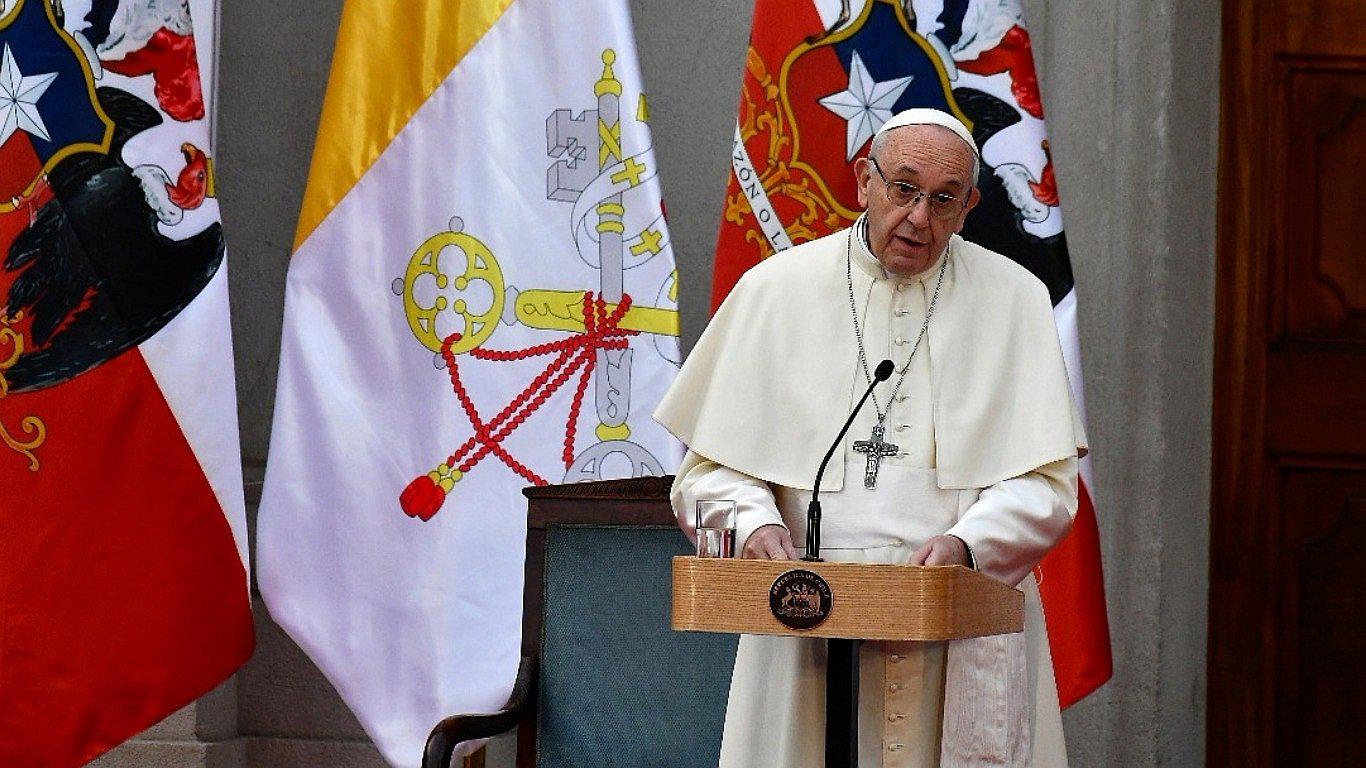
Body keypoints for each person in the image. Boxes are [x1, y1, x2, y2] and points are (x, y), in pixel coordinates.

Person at [653, 108, 1087, 767]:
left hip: (955, 619)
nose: (918, 217)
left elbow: (1046, 486)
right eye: (903, 189)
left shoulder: (1015, 298)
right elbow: (709, 473)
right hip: (803, 614)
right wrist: (753, 524)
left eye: (943, 200)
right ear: (864, 181)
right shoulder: (776, 291)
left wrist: (969, 545)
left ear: (969, 206)